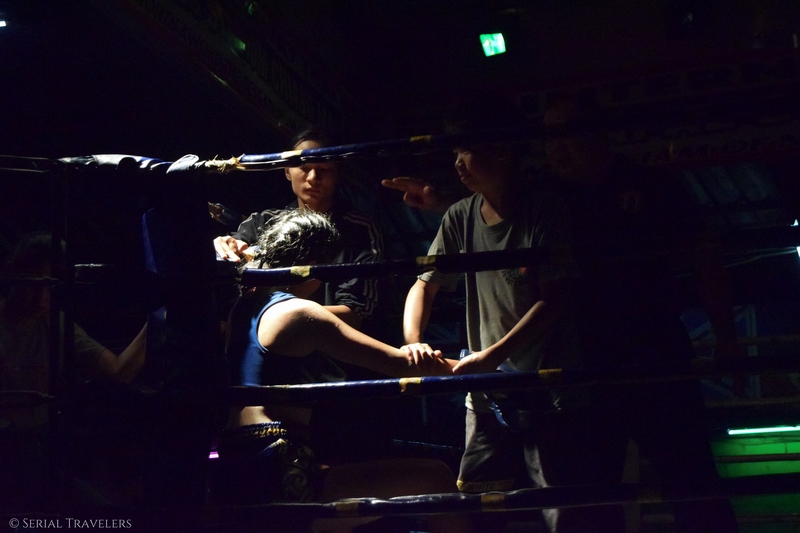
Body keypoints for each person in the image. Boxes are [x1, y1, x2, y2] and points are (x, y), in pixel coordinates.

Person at [211, 208, 467, 533]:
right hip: (279, 470)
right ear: (318, 266)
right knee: (434, 477)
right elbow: (399, 365)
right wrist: (479, 367)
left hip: (235, 464)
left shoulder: (243, 307)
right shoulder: (299, 313)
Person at [399, 98, 589, 532]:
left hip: (550, 388)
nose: (457, 164)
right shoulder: (459, 215)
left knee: (562, 508)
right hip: (485, 391)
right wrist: (414, 343)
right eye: (454, 153)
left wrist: (491, 357)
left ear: (501, 151)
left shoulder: (544, 209)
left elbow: (556, 297)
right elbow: (423, 283)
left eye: (465, 151)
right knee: (480, 507)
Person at [0, 231, 147, 512]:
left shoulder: (53, 323)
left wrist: (159, 319)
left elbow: (117, 371)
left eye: (48, 287)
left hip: (39, 449)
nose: (41, 298)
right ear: (12, 274)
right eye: (33, 284)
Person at [214, 127, 383, 330]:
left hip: (327, 344)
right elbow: (233, 250)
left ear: (337, 174)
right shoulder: (263, 221)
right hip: (261, 336)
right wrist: (225, 247)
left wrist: (275, 317)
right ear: (287, 171)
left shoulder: (360, 230)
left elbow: (354, 313)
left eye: (325, 169)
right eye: (303, 167)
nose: (313, 177)